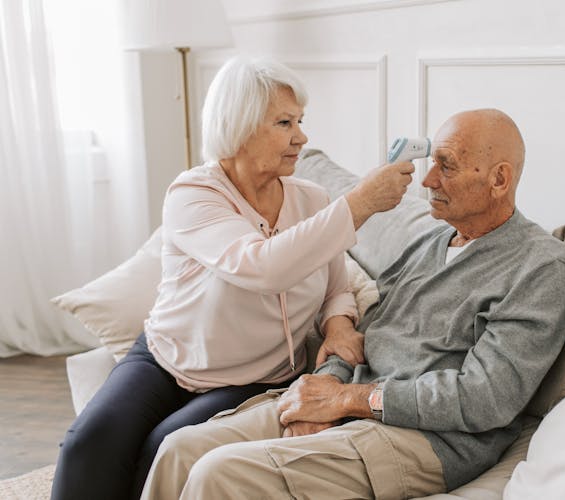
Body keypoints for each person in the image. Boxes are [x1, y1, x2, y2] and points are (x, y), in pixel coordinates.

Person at [140, 108, 565, 499]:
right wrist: (320, 393)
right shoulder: (431, 243)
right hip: (352, 403)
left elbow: (487, 398)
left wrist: (351, 401)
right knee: (179, 449)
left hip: (421, 438)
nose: (427, 181)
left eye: (446, 167)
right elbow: (364, 334)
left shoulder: (540, 266)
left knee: (219, 474)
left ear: (499, 179)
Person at [51, 56, 415, 500]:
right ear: (239, 125)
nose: (302, 137)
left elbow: (336, 287)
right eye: (285, 123)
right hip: (166, 360)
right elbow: (261, 265)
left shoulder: (314, 199)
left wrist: (338, 324)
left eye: (300, 120)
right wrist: (360, 202)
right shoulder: (193, 194)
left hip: (255, 376)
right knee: (88, 443)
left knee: (162, 449)